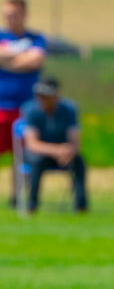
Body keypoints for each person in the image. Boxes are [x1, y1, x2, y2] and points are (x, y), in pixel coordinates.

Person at [0, 0, 47, 207]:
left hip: (26, 107)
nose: (10, 18)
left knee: (21, 155)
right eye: (7, 15)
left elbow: (35, 60)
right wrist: (20, 57)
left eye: (15, 14)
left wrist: (7, 61)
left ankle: (17, 195)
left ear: (24, 14)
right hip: (2, 105)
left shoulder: (36, 38)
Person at [21, 76, 88, 213]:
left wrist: (69, 152)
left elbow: (74, 140)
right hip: (39, 155)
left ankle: (81, 205)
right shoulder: (30, 110)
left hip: (63, 155)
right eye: (40, 95)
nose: (43, 99)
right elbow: (32, 144)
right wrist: (57, 150)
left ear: (56, 95)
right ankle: (32, 205)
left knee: (79, 161)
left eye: (46, 95)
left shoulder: (69, 109)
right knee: (37, 161)